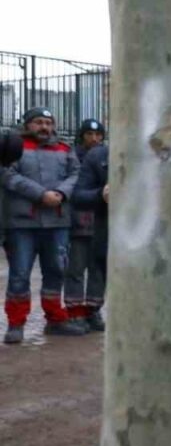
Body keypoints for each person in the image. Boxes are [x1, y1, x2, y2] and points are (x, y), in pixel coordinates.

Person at [2, 108, 81, 344]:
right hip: (21, 224)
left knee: (56, 271)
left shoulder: (65, 149)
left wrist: (60, 193)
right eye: (38, 122)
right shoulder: (13, 148)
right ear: (28, 124)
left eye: (48, 122)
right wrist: (40, 194)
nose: (44, 127)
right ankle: (16, 323)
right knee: (19, 274)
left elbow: (76, 174)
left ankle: (55, 320)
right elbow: (7, 176)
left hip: (58, 222)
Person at [65, 119, 107, 332]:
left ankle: (93, 310)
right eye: (89, 134)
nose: (94, 139)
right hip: (77, 222)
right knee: (76, 268)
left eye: (98, 134)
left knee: (98, 269)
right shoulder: (72, 157)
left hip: (100, 223)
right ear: (81, 136)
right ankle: (75, 312)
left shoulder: (106, 159)